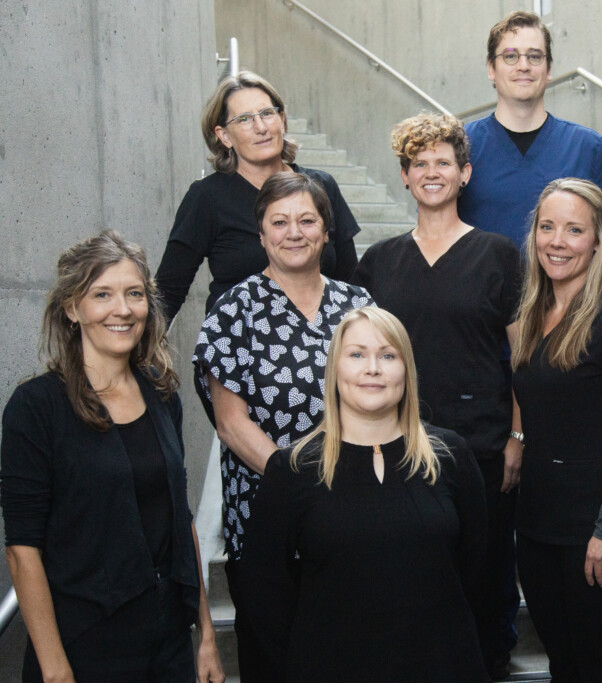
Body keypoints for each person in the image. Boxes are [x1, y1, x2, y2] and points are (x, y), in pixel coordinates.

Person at [1, 231, 224, 683]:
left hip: (168, 642)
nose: (122, 309)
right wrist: (55, 669)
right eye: (102, 294)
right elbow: (23, 551)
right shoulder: (36, 407)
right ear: (71, 308)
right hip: (86, 647)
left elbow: (179, 521)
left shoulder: (162, 396)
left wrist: (205, 637)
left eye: (134, 294)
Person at [350, 112, 522, 679]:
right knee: (409, 574)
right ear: (403, 176)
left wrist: (519, 435)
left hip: (482, 444)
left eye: (442, 162)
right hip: (398, 444)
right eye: (418, 163)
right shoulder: (378, 262)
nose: (431, 172)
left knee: (484, 572)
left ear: (465, 173)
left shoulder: (498, 254)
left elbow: (523, 358)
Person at [234, 306, 488, 681]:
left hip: (440, 664)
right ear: (335, 369)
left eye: (388, 355)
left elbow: (475, 571)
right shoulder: (293, 470)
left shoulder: (451, 456)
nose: (373, 368)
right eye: (357, 354)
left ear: (407, 370)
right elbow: (266, 596)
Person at [192, 171, 372, 681]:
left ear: (326, 230)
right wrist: (302, 488)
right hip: (266, 519)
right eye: (280, 221)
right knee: (276, 661)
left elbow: (384, 405)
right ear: (262, 232)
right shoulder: (233, 312)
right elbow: (231, 425)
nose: (294, 232)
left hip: (353, 514)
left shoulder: (358, 307)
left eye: (307, 220)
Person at [511, 178, 602, 682]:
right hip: (537, 529)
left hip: (596, 535)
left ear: (598, 241)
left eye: (574, 230)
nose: (558, 241)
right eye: (547, 227)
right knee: (565, 668)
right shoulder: (534, 314)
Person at [156, 70, 360, 325]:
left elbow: (351, 281)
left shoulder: (322, 186)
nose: (261, 127)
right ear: (224, 136)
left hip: (320, 348)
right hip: (236, 349)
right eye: (244, 119)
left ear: (282, 120)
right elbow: (167, 293)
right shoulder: (207, 197)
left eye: (267, 113)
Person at [458, 11, 602, 255]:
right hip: (483, 293)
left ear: (548, 69)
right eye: (510, 56)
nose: (523, 65)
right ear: (491, 69)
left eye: (534, 56)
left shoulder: (588, 147)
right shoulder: (461, 146)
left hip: (564, 294)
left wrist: (579, 288)